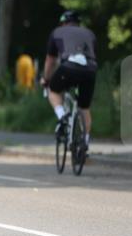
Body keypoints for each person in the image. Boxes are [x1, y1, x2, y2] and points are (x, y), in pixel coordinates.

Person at [41, 10, 97, 150]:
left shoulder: (57, 32)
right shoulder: (90, 33)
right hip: (90, 69)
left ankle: (62, 117)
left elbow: (50, 60)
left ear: (63, 22)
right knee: (84, 107)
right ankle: (85, 141)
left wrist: (46, 79)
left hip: (68, 67)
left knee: (53, 90)